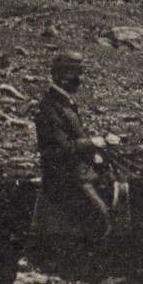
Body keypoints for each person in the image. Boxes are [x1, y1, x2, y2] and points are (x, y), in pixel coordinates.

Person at [34, 50, 111, 244]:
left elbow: (73, 138)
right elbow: (56, 149)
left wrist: (95, 153)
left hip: (79, 170)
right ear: (61, 76)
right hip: (65, 177)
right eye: (75, 74)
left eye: (80, 73)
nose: (80, 79)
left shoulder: (65, 102)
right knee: (99, 214)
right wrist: (92, 143)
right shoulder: (50, 107)